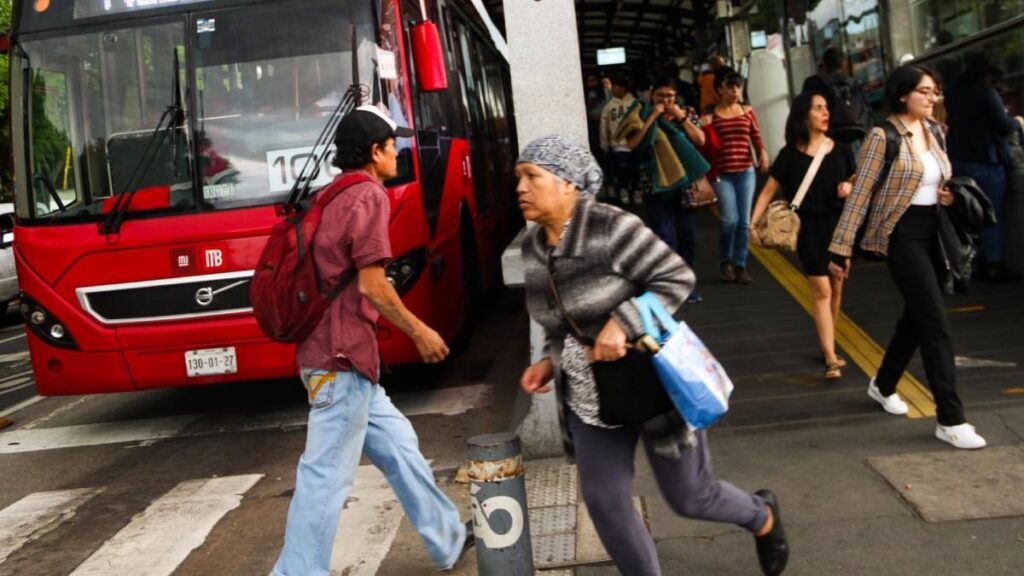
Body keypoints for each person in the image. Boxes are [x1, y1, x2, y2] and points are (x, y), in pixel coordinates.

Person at [515, 135, 789, 576]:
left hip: (651, 380)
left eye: (532, 176)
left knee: (691, 497)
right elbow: (559, 322)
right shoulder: (533, 247)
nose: (521, 187)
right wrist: (549, 360)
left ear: (568, 183)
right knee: (605, 501)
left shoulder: (610, 227)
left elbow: (675, 277)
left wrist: (622, 322)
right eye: (519, 178)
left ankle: (762, 515)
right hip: (590, 395)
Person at [273, 105, 472, 576]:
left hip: (341, 359)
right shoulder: (368, 196)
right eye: (391, 145)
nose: (397, 152)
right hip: (341, 361)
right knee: (324, 477)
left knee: (400, 446)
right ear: (374, 152)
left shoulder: (332, 194)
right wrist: (420, 331)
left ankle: (447, 538)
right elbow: (373, 284)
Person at [827, 65, 987, 450]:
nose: (933, 99)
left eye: (935, 92)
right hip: (902, 236)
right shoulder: (882, 136)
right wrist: (840, 247)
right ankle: (950, 418)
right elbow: (861, 193)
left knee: (916, 319)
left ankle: (882, 385)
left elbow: (938, 178)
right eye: (925, 92)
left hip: (936, 232)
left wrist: (947, 195)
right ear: (902, 95)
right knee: (935, 323)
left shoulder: (933, 132)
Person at [750, 92, 855, 379]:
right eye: (818, 108)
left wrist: (848, 187)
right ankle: (831, 356)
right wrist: (752, 224)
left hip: (838, 227)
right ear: (803, 116)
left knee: (836, 285)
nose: (825, 113)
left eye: (826, 108)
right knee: (821, 290)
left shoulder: (842, 150)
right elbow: (768, 191)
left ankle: (827, 343)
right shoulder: (789, 155)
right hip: (807, 228)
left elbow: (856, 180)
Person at [622, 76, 708, 303]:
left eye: (670, 96)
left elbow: (700, 140)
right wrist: (652, 117)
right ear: (652, 95)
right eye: (661, 95)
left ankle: (685, 284)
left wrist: (681, 118)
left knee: (687, 237)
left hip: (685, 185)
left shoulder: (685, 112)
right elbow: (632, 145)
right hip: (655, 186)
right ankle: (666, 286)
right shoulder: (640, 113)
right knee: (665, 237)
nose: (666, 100)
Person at [945, 53, 1021, 283]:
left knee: (968, 217)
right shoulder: (987, 94)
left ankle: (973, 264)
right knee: (989, 215)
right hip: (985, 163)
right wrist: (1018, 121)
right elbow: (1004, 125)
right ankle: (994, 265)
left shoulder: (953, 93)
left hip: (958, 161)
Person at [702, 68, 769, 284]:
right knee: (728, 220)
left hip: (746, 171)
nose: (735, 91)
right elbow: (704, 144)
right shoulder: (711, 116)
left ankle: (740, 264)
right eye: (730, 87)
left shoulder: (747, 110)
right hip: (722, 174)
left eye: (738, 87)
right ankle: (725, 260)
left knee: (744, 222)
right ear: (720, 88)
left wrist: (762, 153)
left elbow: (755, 136)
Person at [801, 47, 873, 149]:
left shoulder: (813, 83)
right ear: (844, 63)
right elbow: (867, 111)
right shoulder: (853, 84)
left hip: (825, 139)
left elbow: (803, 112)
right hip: (855, 137)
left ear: (824, 64)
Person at [599, 73, 642, 205]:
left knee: (636, 169)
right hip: (618, 144)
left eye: (616, 86)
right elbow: (604, 126)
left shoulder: (635, 103)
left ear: (623, 88)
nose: (613, 89)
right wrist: (604, 143)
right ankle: (624, 190)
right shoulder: (609, 106)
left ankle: (636, 191)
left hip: (636, 143)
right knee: (622, 169)